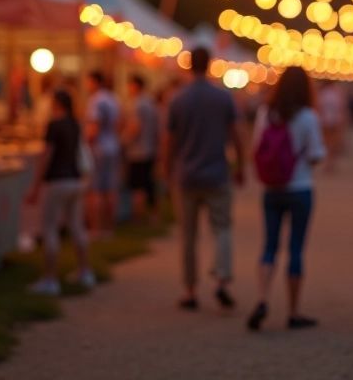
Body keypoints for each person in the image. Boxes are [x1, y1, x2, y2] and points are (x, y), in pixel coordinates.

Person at [247, 66, 327, 331]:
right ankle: (293, 310)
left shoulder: (265, 114)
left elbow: (256, 147)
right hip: (300, 187)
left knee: (269, 246)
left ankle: (262, 298)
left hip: (271, 189)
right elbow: (316, 154)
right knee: (295, 249)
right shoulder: (308, 116)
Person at [166, 47, 246, 311]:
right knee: (222, 228)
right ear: (210, 65)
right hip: (216, 174)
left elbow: (169, 140)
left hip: (186, 176)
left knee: (188, 236)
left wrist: (167, 170)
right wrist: (242, 165)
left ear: (188, 65)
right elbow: (236, 134)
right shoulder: (223, 98)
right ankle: (221, 280)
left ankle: (190, 291)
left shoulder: (177, 99)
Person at [26, 89, 94, 295]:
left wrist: (36, 186)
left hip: (57, 181)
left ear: (56, 104)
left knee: (50, 228)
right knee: (76, 226)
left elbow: (46, 156)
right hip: (75, 180)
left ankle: (50, 278)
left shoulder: (55, 126)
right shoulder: (75, 124)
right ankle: (84, 271)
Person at [84, 71, 121, 237]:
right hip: (112, 146)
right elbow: (120, 123)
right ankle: (110, 228)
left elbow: (94, 127)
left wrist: (86, 144)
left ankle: (96, 229)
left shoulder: (96, 100)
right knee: (110, 188)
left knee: (96, 190)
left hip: (99, 149)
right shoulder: (113, 99)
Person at [124, 75, 160, 222]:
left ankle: (136, 216)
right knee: (149, 184)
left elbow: (135, 127)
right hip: (150, 148)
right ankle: (154, 214)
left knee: (138, 186)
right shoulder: (150, 103)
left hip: (138, 151)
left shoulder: (138, 104)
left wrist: (123, 141)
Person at [317, 81, 348, 173]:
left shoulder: (323, 93)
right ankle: (331, 163)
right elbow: (341, 108)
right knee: (332, 143)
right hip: (333, 120)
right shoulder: (336, 93)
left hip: (327, 120)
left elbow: (319, 107)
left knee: (328, 143)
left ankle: (329, 163)